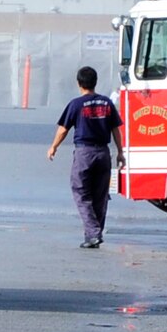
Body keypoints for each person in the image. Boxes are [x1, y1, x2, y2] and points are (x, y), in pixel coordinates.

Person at [47, 65, 125, 248]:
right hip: (103, 153)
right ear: (95, 82)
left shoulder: (76, 104)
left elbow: (63, 129)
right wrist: (120, 152)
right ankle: (93, 236)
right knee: (100, 196)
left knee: (81, 192)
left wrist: (53, 147)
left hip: (84, 153)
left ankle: (93, 233)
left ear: (79, 84)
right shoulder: (107, 103)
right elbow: (116, 129)